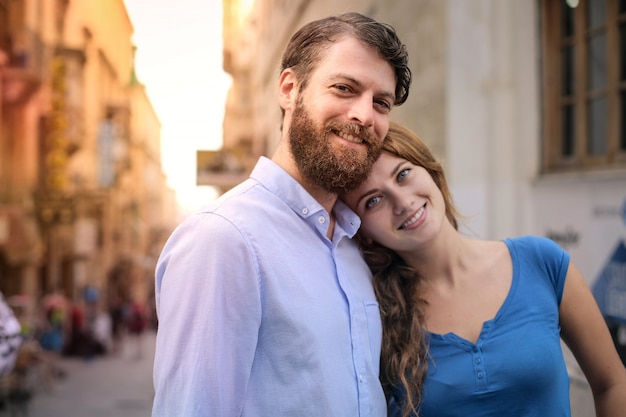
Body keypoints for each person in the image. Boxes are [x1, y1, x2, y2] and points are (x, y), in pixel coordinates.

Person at [152, 12, 412, 417]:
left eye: (381, 102)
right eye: (344, 88)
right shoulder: (223, 239)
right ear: (290, 89)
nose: (365, 115)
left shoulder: (352, 242)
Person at [341, 122, 626, 417]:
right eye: (373, 201)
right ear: (364, 232)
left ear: (431, 172)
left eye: (403, 174)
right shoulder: (376, 314)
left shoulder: (541, 262)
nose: (401, 202)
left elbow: (612, 384)